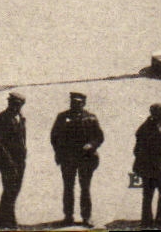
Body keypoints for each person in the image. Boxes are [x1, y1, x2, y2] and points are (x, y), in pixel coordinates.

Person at [50, 91, 104, 227]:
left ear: (84, 104)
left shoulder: (91, 118)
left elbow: (99, 137)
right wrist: (59, 152)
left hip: (86, 158)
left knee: (85, 187)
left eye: (78, 103)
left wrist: (91, 145)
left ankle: (86, 217)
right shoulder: (62, 117)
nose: (75, 105)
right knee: (68, 187)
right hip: (68, 158)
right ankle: (68, 216)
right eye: (73, 102)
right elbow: (54, 136)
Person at [0, 91, 27, 229]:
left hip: (19, 160)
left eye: (18, 104)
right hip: (6, 160)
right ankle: (7, 220)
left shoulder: (20, 117)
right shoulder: (2, 118)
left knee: (14, 189)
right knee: (10, 188)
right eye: (12, 103)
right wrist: (8, 161)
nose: (15, 106)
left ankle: (3, 218)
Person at [134, 103, 161, 228]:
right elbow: (138, 150)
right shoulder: (146, 128)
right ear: (155, 114)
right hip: (152, 165)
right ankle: (150, 221)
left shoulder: (159, 125)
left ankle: (157, 220)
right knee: (152, 194)